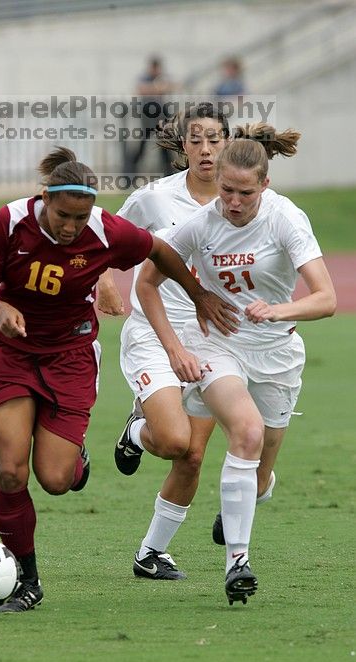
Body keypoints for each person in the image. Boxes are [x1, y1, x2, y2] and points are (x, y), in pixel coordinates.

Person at [0, 146, 236, 613]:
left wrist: (198, 295)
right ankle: (28, 580)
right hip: (10, 352)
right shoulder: (9, 222)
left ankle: (74, 457)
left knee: (54, 479)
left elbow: (159, 251)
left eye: (81, 216)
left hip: (70, 355)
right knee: (10, 472)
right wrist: (0, 309)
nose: (71, 227)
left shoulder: (106, 230)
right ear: (44, 198)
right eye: (63, 215)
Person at [136, 127, 337, 604]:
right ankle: (238, 564)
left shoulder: (286, 218)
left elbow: (326, 299)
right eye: (226, 190)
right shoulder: (199, 224)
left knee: (260, 474)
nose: (233, 202)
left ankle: (245, 497)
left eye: (245, 193)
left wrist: (278, 310)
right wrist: (174, 349)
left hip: (277, 353)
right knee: (242, 433)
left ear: (264, 186)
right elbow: (147, 284)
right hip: (217, 346)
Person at [113, 103, 238, 581]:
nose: (206, 150)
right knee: (170, 439)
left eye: (214, 139)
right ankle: (136, 431)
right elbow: (107, 236)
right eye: (196, 140)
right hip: (153, 329)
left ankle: (151, 554)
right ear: (182, 146)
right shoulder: (155, 198)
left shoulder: (243, 201)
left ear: (227, 142)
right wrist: (104, 278)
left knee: (192, 454)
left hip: (210, 338)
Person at [123, 55, 179, 178]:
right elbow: (141, 89)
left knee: (165, 146)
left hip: (161, 114)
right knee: (142, 146)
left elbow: (173, 86)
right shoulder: (144, 77)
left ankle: (169, 175)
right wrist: (157, 88)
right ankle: (129, 176)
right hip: (148, 114)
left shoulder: (163, 77)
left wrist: (158, 87)